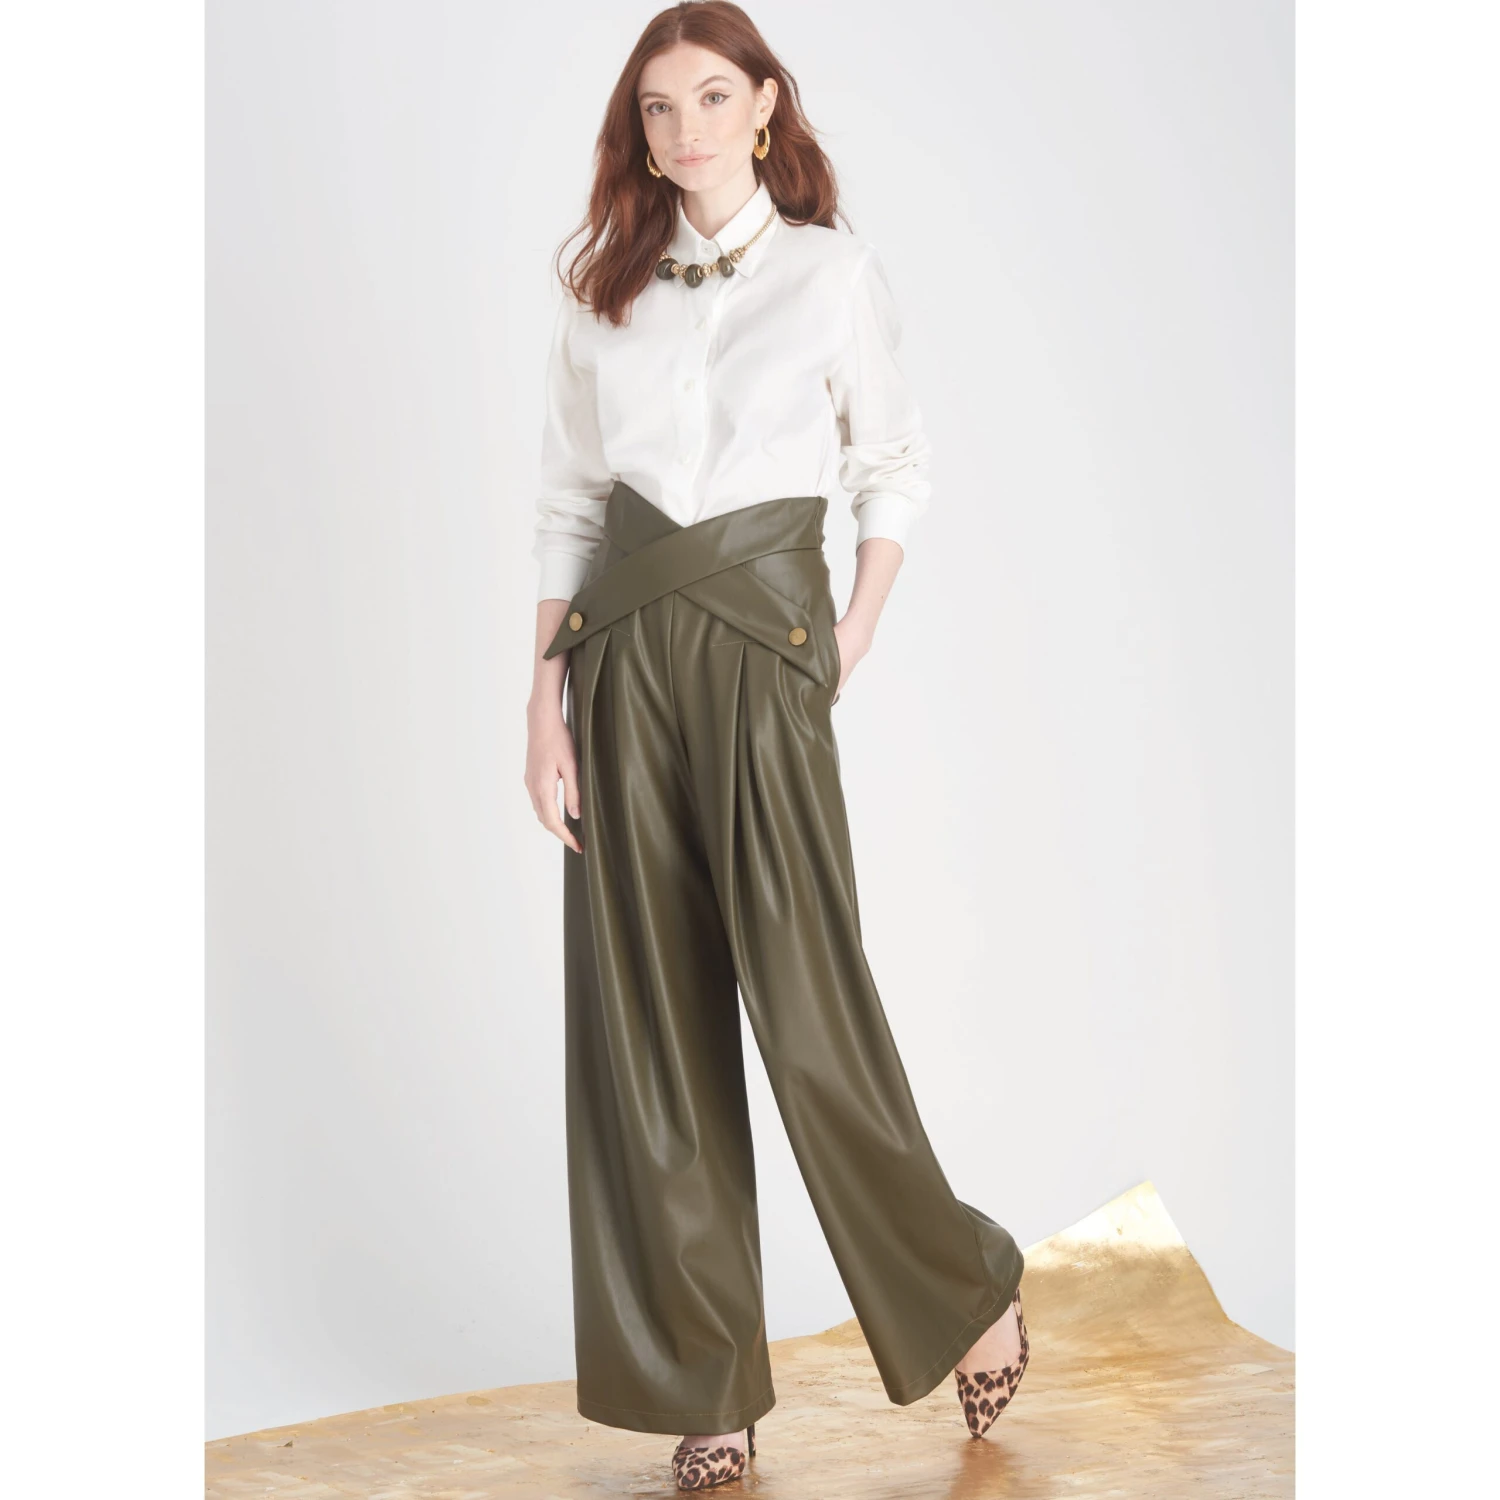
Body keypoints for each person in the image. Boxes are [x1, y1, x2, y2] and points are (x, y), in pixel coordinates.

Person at [523, 3, 1029, 1489]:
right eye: (656, 107)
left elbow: (891, 459)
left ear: (762, 106)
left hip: (765, 649)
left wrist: (851, 629)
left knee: (810, 1010)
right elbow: (567, 504)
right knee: (650, 1030)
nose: (682, 129)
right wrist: (541, 702)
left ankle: (964, 1286)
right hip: (620, 658)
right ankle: (709, 1390)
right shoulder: (601, 294)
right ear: (639, 132)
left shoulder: (829, 274)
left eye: (709, 97)